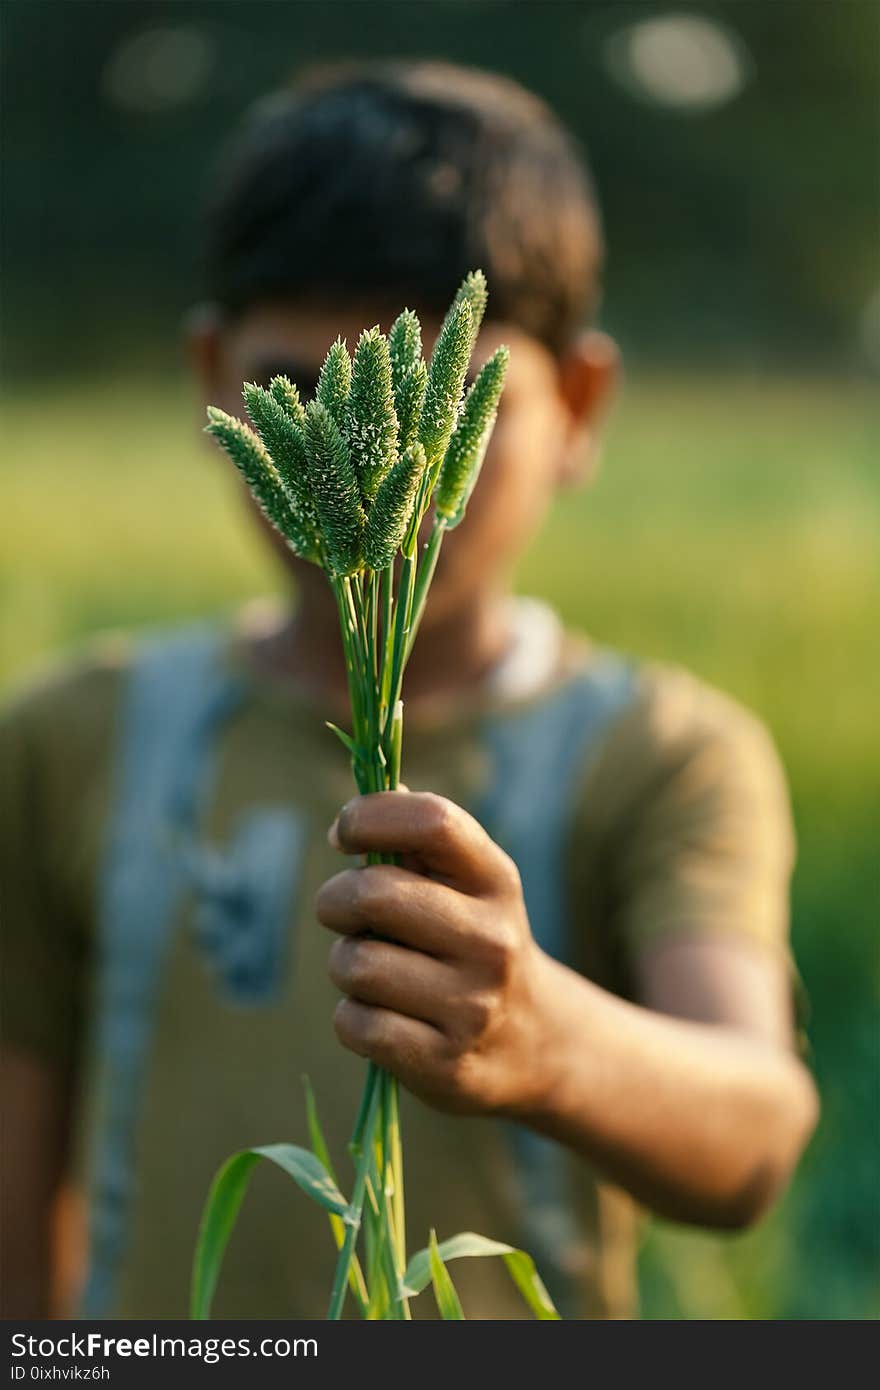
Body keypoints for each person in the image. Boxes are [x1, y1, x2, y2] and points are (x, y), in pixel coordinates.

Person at [0, 60, 817, 1320]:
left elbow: (752, 1137)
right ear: (212, 373)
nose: (358, 461)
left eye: (434, 412)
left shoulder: (660, 752)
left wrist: (544, 1037)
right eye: (299, 396)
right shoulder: (70, 738)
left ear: (579, 402)